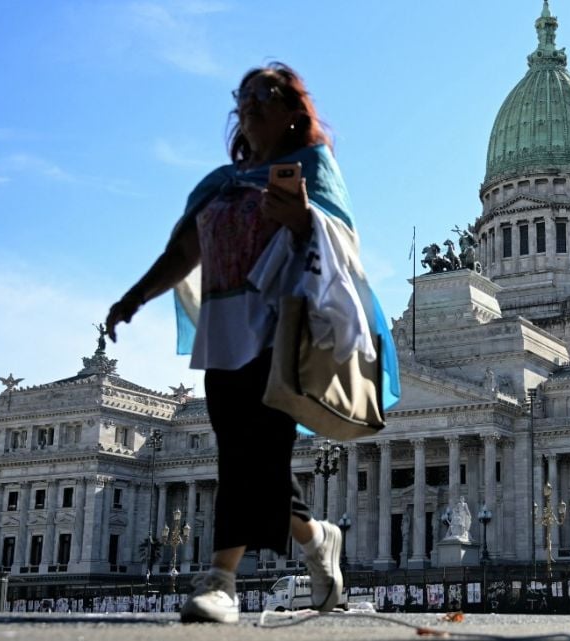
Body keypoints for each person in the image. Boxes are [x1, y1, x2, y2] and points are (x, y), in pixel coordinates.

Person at [105, 62, 397, 624]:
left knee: (250, 453)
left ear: (295, 111)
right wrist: (134, 298)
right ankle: (317, 542)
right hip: (224, 332)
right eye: (245, 97)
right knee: (255, 458)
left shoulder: (312, 167)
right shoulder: (218, 185)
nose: (254, 105)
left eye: (268, 95)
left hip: (281, 329)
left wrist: (302, 216)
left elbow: (340, 245)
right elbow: (181, 254)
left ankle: (221, 580)